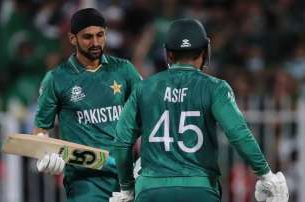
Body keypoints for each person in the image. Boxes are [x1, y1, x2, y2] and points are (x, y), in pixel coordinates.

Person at [110, 18, 289, 202]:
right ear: (205, 52)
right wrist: (265, 174)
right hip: (200, 189)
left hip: (151, 190)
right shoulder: (215, 88)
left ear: (169, 54)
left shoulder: (144, 88)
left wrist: (126, 188)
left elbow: (122, 142)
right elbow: (237, 132)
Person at [32, 8, 141, 202]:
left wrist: (145, 158)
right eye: (87, 37)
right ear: (72, 38)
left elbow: (150, 114)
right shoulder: (57, 79)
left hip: (127, 177)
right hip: (85, 182)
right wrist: (45, 154)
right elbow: (41, 128)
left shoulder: (124, 70)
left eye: (100, 35)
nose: (96, 43)